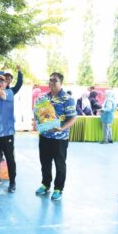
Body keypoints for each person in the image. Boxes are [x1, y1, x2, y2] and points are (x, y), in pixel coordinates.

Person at [35, 72, 77, 201]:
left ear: (61, 83)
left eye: (55, 80)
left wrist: (62, 128)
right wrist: (37, 121)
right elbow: (38, 115)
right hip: (45, 136)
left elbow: (73, 118)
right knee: (45, 163)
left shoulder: (67, 98)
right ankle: (45, 184)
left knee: (60, 164)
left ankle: (58, 188)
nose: (51, 82)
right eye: (50, 80)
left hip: (60, 139)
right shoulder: (43, 98)